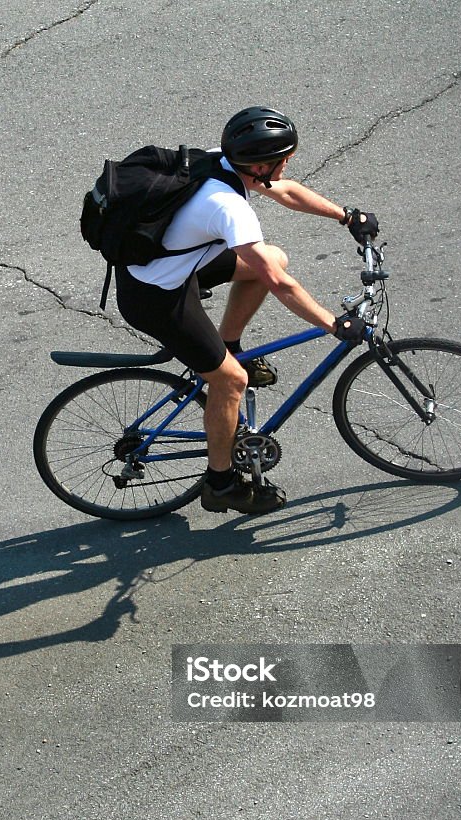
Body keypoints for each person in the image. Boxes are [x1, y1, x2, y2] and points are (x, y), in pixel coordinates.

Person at [115, 107, 378, 515]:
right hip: (155, 297)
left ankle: (229, 344)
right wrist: (333, 323)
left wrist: (346, 216)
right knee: (231, 381)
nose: (288, 163)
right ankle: (220, 485)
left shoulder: (220, 162)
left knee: (274, 256)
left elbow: (286, 191)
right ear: (259, 164)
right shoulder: (227, 207)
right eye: (284, 158)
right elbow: (279, 283)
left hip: (171, 266)